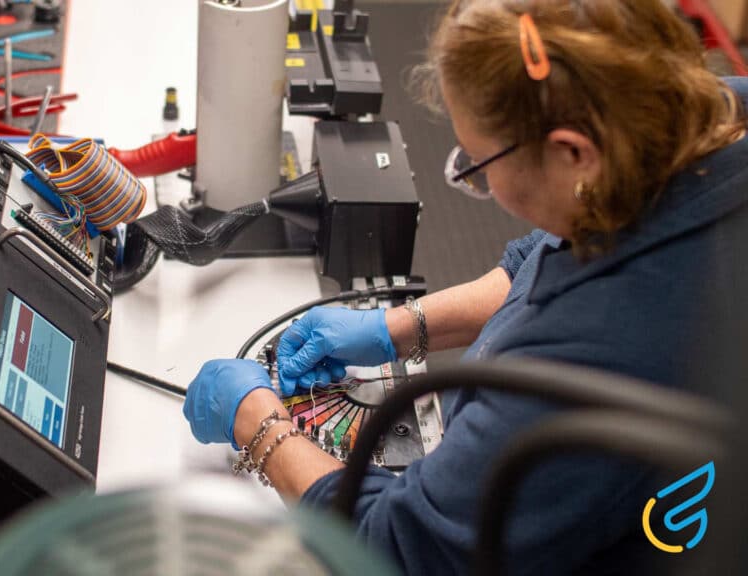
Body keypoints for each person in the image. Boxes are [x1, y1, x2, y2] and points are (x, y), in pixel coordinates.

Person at [183, 1, 748, 574]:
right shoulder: (702, 115)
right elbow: (553, 250)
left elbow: (396, 551)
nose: (479, 179)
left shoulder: (589, 360)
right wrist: (398, 327)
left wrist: (259, 424)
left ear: (574, 153)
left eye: (478, 165)